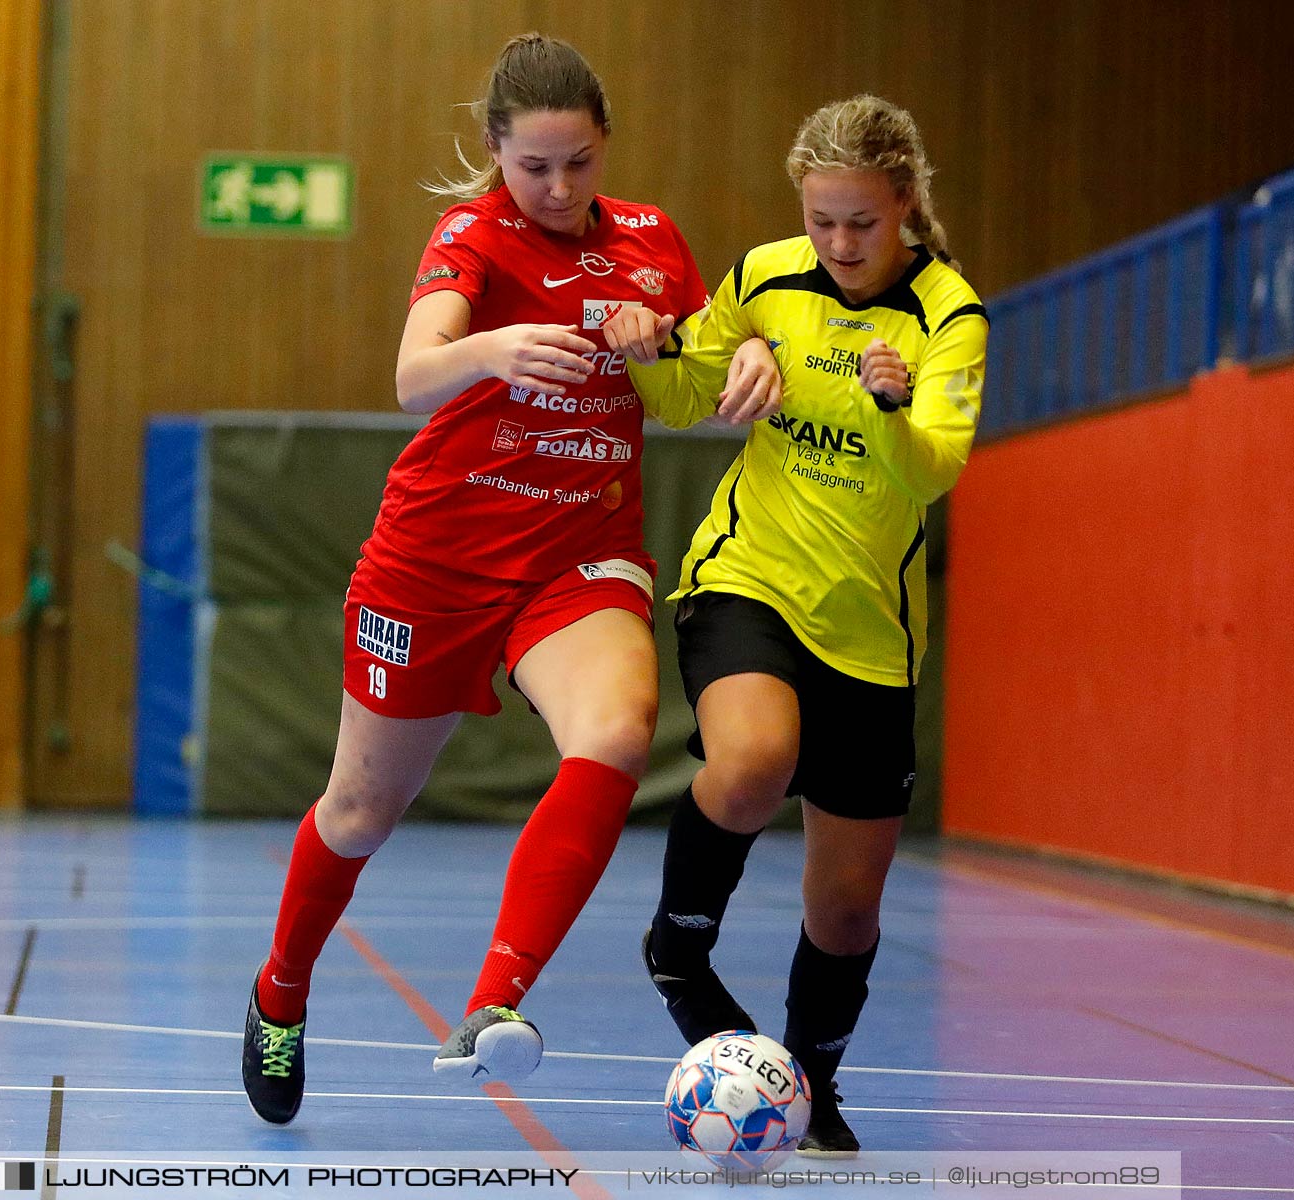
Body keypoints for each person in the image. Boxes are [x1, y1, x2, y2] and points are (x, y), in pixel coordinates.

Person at [240, 33, 781, 1126]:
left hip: (575, 555)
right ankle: (279, 989)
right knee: (356, 811)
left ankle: (494, 1003)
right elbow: (410, 373)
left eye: (577, 162)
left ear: (602, 145)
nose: (556, 186)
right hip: (435, 562)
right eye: (532, 165)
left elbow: (698, 345)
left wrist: (737, 352)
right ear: (495, 151)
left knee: (619, 732)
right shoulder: (470, 237)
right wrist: (491, 351)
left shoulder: (647, 240)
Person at [603, 93, 987, 1156]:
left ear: (903, 205)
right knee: (752, 760)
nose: (837, 243)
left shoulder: (947, 317)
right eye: (821, 219)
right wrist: (651, 345)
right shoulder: (766, 277)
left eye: (859, 222)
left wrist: (890, 404)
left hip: (870, 634)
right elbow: (682, 398)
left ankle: (809, 1084)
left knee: (847, 912)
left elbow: (930, 472)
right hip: (748, 578)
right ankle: (678, 951)